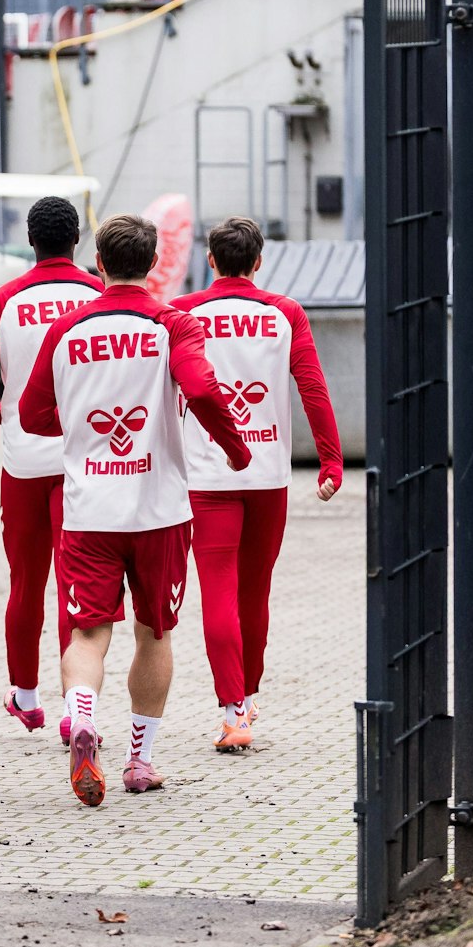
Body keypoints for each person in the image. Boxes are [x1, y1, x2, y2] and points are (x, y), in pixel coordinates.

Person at [18, 214, 251, 806]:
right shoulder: (174, 324)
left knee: (89, 632)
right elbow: (200, 389)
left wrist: (78, 429)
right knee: (154, 632)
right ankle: (140, 762)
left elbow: (30, 414)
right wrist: (233, 447)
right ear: (152, 265)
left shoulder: (66, 329)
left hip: (89, 509)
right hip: (159, 511)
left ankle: (83, 713)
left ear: (98, 263)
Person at [172, 217, 343, 753]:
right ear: (259, 262)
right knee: (256, 593)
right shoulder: (284, 313)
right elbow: (312, 386)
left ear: (211, 259)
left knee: (218, 591)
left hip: (207, 473)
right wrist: (331, 462)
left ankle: (231, 712)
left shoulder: (182, 313)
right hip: (268, 474)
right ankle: (248, 694)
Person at [0, 197, 104, 741]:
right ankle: (77, 705)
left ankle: (26, 697)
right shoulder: (101, 295)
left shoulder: (3, 300)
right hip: (88, 459)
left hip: (24, 460)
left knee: (25, 582)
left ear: (30, 240)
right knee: (76, 585)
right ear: (78, 239)